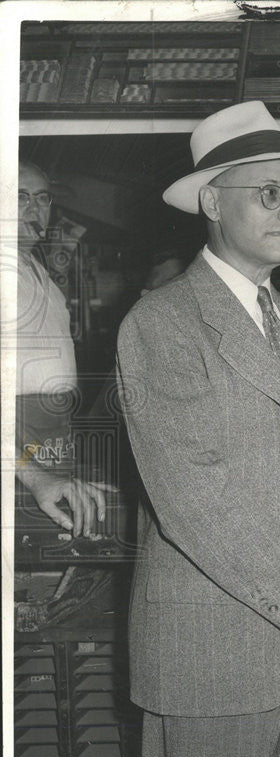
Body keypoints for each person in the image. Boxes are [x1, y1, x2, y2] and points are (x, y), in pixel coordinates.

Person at [116, 101, 280, 757]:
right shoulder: (162, 323)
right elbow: (191, 496)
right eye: (270, 193)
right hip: (214, 650)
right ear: (211, 201)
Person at [14, 160, 109, 537]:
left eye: (41, 198)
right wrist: (36, 478)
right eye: (18, 197)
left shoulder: (32, 268)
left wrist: (68, 474)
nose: (32, 208)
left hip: (47, 448)